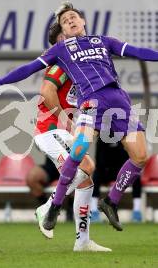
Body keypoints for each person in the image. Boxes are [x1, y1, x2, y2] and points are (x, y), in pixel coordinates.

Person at [0, 1, 158, 232]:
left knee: (140, 156)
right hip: (91, 101)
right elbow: (28, 68)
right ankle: (55, 205)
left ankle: (111, 201)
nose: (70, 20)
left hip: (119, 100)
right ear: (63, 31)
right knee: (79, 150)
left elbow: (137, 51)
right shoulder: (60, 50)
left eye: (73, 17)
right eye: (65, 21)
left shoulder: (104, 41)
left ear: (83, 21)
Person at [31, 22, 111, 251]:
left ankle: (82, 241)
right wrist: (64, 118)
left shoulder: (79, 66)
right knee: (86, 167)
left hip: (61, 130)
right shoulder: (61, 65)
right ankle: (46, 207)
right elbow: (46, 91)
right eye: (66, 37)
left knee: (86, 176)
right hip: (50, 130)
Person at [91, 136, 143, 222]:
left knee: (136, 177)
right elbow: (99, 159)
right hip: (106, 171)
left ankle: (137, 212)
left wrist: (123, 173)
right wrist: (105, 169)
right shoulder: (101, 138)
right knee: (96, 175)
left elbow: (129, 158)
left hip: (121, 171)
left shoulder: (124, 138)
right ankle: (94, 211)